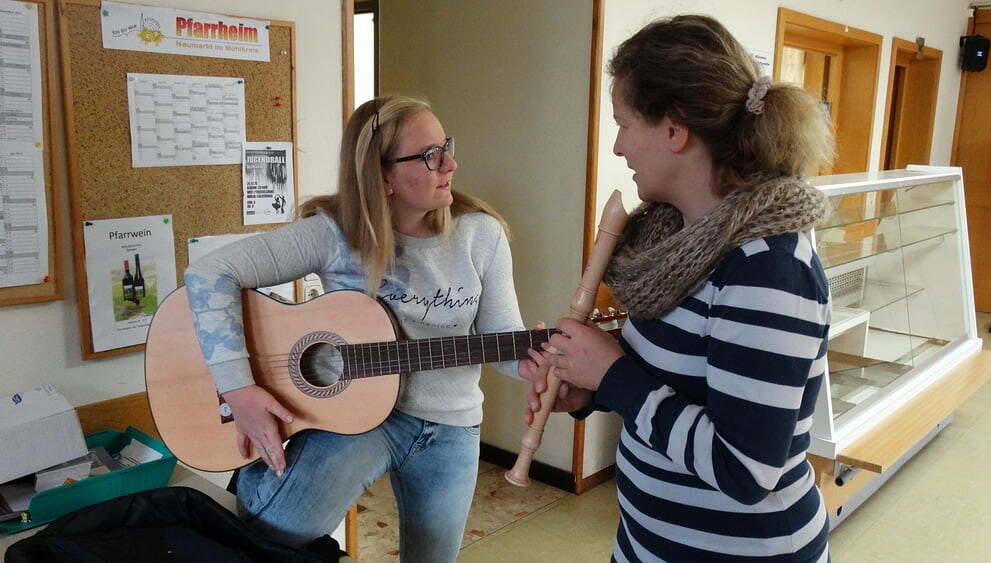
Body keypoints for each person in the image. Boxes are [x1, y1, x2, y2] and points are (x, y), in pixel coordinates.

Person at [523, 15, 834, 562]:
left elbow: (746, 470)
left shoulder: (769, 268)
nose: (618, 147)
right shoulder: (674, 242)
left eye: (623, 124)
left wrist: (613, 376)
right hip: (650, 541)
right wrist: (588, 390)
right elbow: (674, 381)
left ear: (674, 129)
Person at [185, 95, 531, 561]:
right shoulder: (334, 233)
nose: (451, 162)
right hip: (355, 419)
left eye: (445, 146)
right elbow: (208, 274)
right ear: (382, 174)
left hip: (452, 425)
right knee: (276, 532)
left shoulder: (480, 234)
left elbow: (505, 341)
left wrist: (537, 364)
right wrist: (238, 390)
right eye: (430, 155)